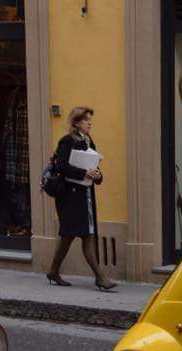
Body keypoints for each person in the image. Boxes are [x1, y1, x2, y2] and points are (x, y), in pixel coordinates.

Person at [46, 106, 116, 290]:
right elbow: (61, 167)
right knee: (80, 234)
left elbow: (95, 167)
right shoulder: (66, 141)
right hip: (69, 196)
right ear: (77, 123)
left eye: (90, 120)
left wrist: (98, 176)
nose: (90, 123)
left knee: (73, 235)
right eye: (86, 120)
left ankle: (53, 271)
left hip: (85, 196)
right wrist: (85, 172)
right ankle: (100, 277)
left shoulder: (89, 142)